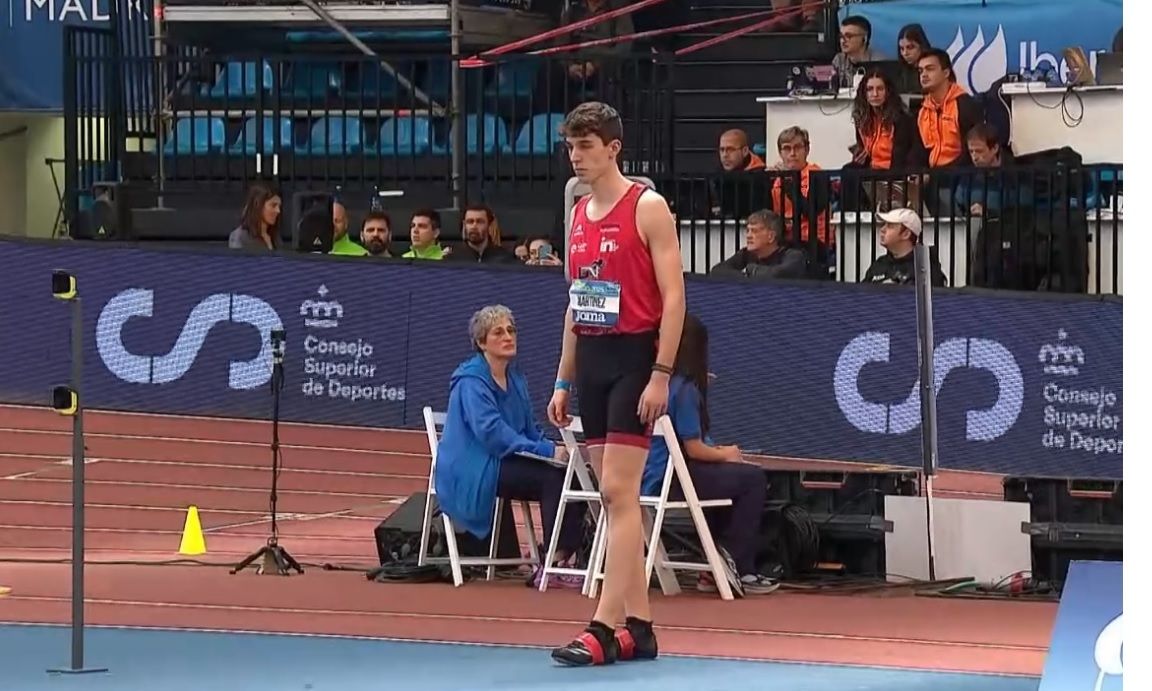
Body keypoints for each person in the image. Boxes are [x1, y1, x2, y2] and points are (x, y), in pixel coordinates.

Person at [547, 101, 686, 667]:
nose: (576, 155)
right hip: (595, 360)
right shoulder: (578, 214)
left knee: (616, 494)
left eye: (585, 145)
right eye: (571, 146)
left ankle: (604, 625)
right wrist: (562, 378)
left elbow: (675, 298)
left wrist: (660, 374)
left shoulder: (648, 208)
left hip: (636, 358)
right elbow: (576, 302)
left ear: (613, 148)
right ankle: (641, 627)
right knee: (616, 498)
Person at [434, 305, 587, 588]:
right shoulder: (471, 381)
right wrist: (545, 453)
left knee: (573, 471)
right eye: (498, 332)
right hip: (475, 466)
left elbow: (528, 428)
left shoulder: (516, 378)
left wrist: (554, 449)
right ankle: (553, 561)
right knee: (553, 476)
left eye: (511, 330)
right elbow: (492, 434)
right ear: (482, 343)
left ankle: (566, 554)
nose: (508, 337)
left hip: (503, 460)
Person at [641, 315, 779, 596]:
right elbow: (693, 449)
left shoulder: (653, 385)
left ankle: (713, 567)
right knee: (752, 479)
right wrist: (725, 453)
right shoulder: (685, 389)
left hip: (648, 475)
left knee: (726, 481)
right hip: (671, 478)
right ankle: (738, 566)